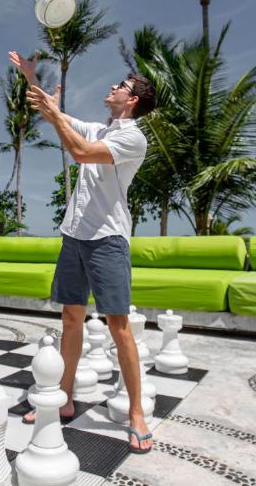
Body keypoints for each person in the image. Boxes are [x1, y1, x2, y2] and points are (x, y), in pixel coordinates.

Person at [9, 50, 157, 454]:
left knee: (118, 327)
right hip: (74, 236)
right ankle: (65, 398)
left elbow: (79, 152)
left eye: (121, 86)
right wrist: (31, 77)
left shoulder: (132, 137)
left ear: (132, 100)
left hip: (108, 239)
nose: (112, 87)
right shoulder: (99, 128)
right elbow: (51, 112)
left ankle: (137, 414)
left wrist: (57, 115)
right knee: (70, 318)